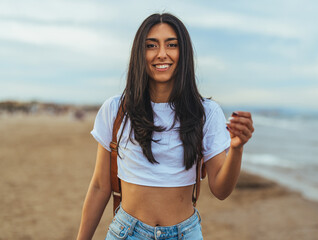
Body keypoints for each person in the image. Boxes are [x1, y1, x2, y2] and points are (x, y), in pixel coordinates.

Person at [77, 13, 254, 240]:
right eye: (151, 45)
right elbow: (100, 187)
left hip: (185, 233)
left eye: (172, 45)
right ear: (140, 54)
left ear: (184, 53)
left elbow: (220, 190)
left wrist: (237, 148)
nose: (162, 54)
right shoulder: (115, 110)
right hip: (127, 233)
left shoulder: (206, 113)